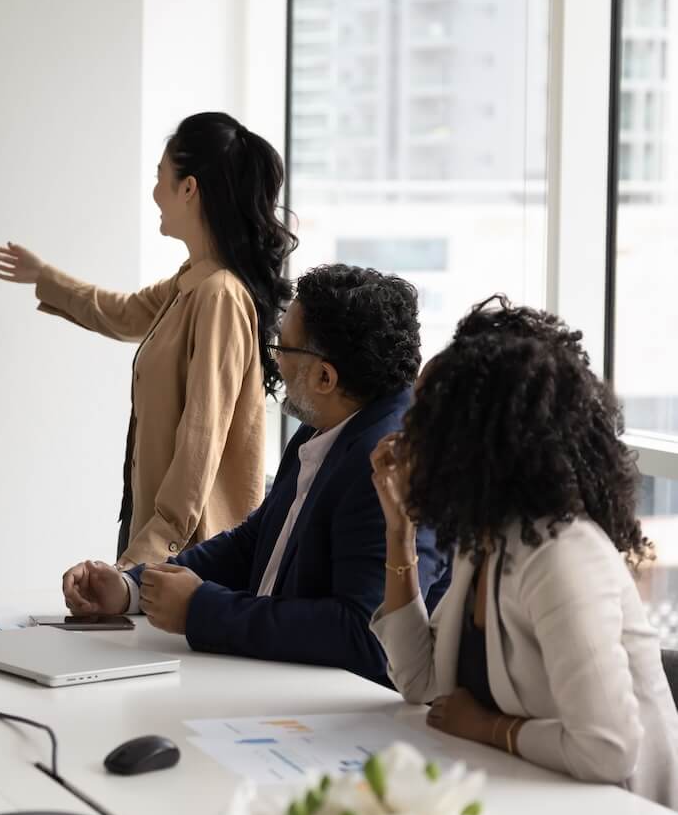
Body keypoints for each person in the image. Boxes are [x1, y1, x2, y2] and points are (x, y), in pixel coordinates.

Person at [62, 265, 451, 686]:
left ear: (325, 376)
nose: (275, 361)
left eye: (282, 347)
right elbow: (256, 541)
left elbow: (365, 635)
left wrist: (201, 610)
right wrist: (132, 588)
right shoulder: (326, 427)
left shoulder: (389, 462)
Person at [368, 297, 678, 808]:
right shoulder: (486, 539)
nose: (403, 433)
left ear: (470, 440)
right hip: (535, 798)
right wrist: (398, 530)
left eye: (424, 418)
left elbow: (610, 750)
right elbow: (422, 683)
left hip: (617, 813)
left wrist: (491, 728)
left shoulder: (562, 555)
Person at [0, 112, 294, 565]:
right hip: (156, 537)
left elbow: (200, 439)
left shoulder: (220, 296)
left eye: (160, 177)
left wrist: (148, 556)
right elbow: (125, 312)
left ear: (188, 188)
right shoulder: (191, 282)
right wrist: (44, 276)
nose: (154, 193)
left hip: (188, 553)